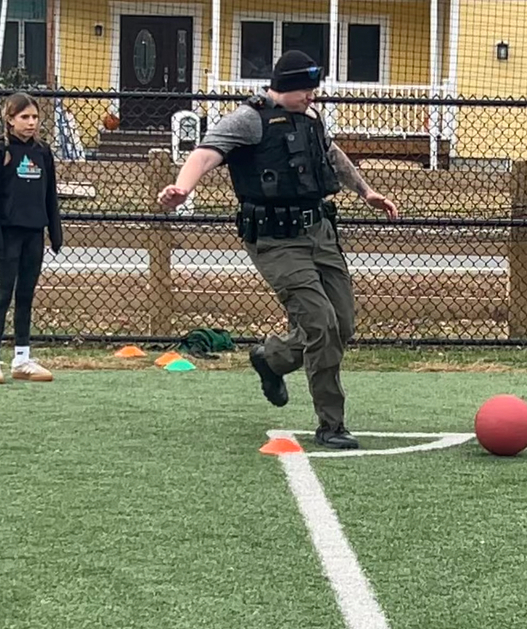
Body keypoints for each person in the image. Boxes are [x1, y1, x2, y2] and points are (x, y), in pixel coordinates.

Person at [157, 50, 399, 450]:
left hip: (320, 232)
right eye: (306, 90)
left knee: (342, 325)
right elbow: (204, 153)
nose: (312, 98)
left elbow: (331, 155)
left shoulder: (312, 117)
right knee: (320, 323)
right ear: (284, 88)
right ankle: (332, 425)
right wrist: (183, 188)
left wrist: (367, 191)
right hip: (275, 239)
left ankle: (271, 359)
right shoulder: (248, 120)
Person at [0, 91, 62, 384]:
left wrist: (55, 232)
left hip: (34, 234)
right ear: (10, 119)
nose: (31, 123)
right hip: (8, 235)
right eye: (24, 117)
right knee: (4, 294)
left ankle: (22, 359)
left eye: (35, 117)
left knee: (26, 295)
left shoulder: (43, 152)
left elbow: (50, 194)